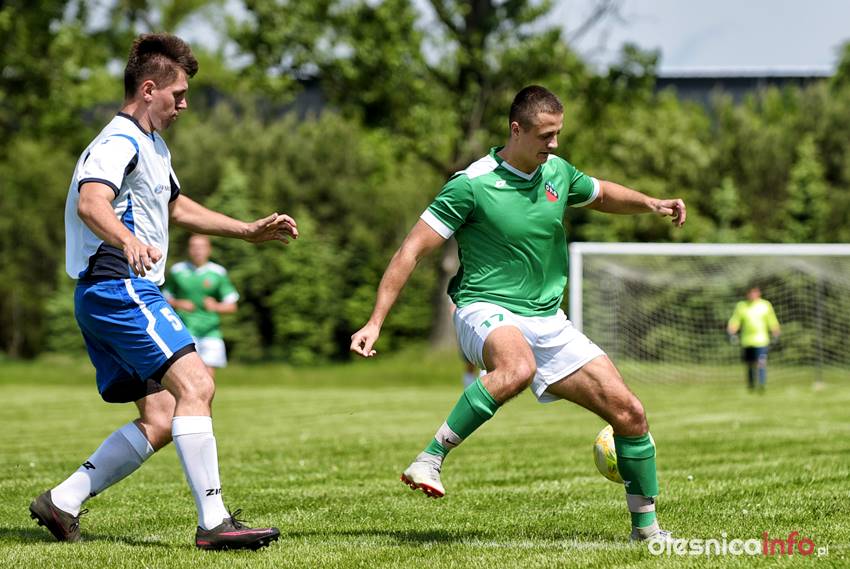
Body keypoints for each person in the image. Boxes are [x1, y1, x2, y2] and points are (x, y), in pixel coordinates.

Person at [350, 85, 686, 542]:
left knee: (630, 413)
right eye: (546, 135)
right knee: (517, 367)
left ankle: (646, 532)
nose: (554, 144)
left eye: (558, 134)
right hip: (484, 306)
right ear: (516, 130)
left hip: (548, 319)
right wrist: (375, 321)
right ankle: (429, 459)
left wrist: (651, 203)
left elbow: (602, 194)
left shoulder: (557, 173)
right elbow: (411, 251)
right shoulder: (471, 184)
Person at [30, 33, 298, 550]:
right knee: (197, 386)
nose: (184, 105)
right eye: (178, 94)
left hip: (110, 293)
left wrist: (246, 230)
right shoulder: (118, 142)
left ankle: (62, 501)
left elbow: (175, 206)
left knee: (159, 419)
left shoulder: (152, 145)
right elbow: (92, 202)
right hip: (120, 287)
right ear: (148, 89)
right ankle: (214, 523)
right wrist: (127, 239)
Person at [163, 235, 238, 380]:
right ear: (188, 249)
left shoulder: (218, 272)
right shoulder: (177, 271)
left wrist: (216, 306)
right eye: (194, 247)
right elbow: (163, 299)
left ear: (209, 249)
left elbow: (232, 306)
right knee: (186, 375)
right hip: (184, 330)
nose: (197, 250)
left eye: (201, 247)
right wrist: (178, 303)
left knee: (208, 377)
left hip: (210, 331)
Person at [727, 286, 780, 391]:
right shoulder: (741, 306)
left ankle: (761, 384)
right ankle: (751, 385)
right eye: (750, 293)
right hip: (747, 341)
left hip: (761, 340)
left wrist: (776, 332)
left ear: (758, 293)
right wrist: (731, 333)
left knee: (761, 362)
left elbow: (772, 320)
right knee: (750, 364)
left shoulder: (765, 305)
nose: (752, 295)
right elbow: (735, 321)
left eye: (754, 292)